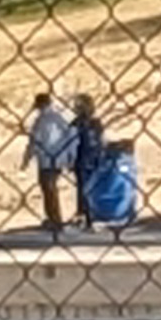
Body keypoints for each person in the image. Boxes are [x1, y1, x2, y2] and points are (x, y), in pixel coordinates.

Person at [24, 88, 75, 236]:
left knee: (48, 188)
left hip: (46, 159)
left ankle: (54, 218)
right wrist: (69, 157)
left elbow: (34, 141)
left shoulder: (40, 121)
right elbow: (70, 137)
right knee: (51, 188)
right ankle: (54, 218)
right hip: (59, 158)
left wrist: (27, 158)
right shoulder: (59, 118)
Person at [67, 93, 108, 227]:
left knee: (82, 188)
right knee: (94, 187)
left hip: (82, 159)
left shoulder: (76, 123)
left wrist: (70, 160)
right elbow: (102, 141)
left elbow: (72, 144)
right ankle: (94, 214)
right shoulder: (96, 123)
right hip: (95, 158)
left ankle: (84, 214)